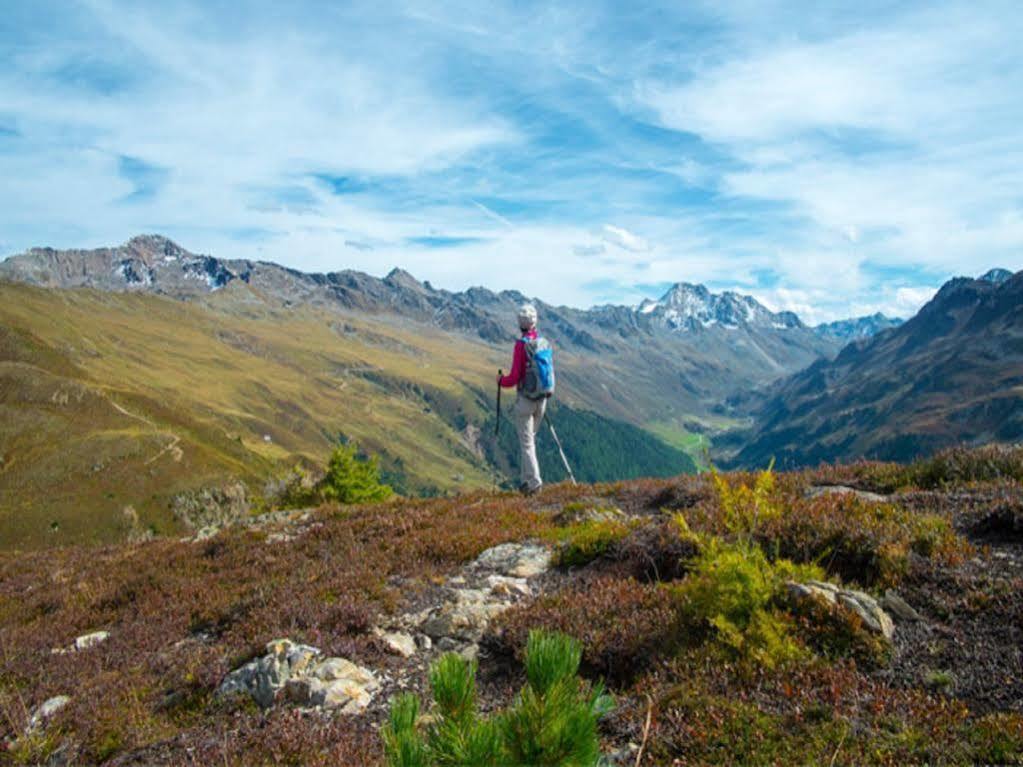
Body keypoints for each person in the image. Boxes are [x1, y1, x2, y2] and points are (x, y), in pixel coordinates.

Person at [497, 303, 548, 495]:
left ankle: (534, 484)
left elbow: (515, 377)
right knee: (530, 442)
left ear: (520, 323)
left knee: (527, 445)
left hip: (526, 401)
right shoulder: (542, 343)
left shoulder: (521, 346)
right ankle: (525, 481)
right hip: (542, 400)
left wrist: (501, 381)